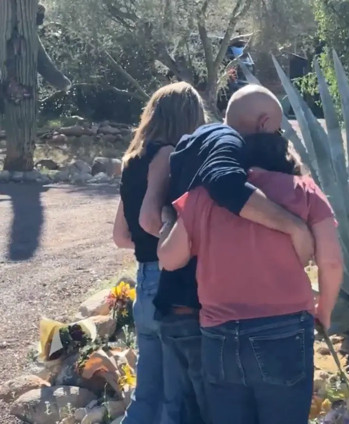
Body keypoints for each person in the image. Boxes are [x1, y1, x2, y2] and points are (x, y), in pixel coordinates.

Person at [157, 87, 343, 423]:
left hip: (219, 335)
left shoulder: (203, 196)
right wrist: (324, 311)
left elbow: (170, 259)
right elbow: (330, 261)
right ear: (267, 126)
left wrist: (168, 218)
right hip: (284, 330)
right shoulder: (305, 191)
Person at [112, 82, 206, 424]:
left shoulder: (132, 160)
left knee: (146, 396)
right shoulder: (167, 155)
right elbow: (150, 219)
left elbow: (121, 235)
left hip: (143, 280)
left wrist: (150, 247)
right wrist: (182, 244)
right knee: (173, 400)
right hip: (168, 284)